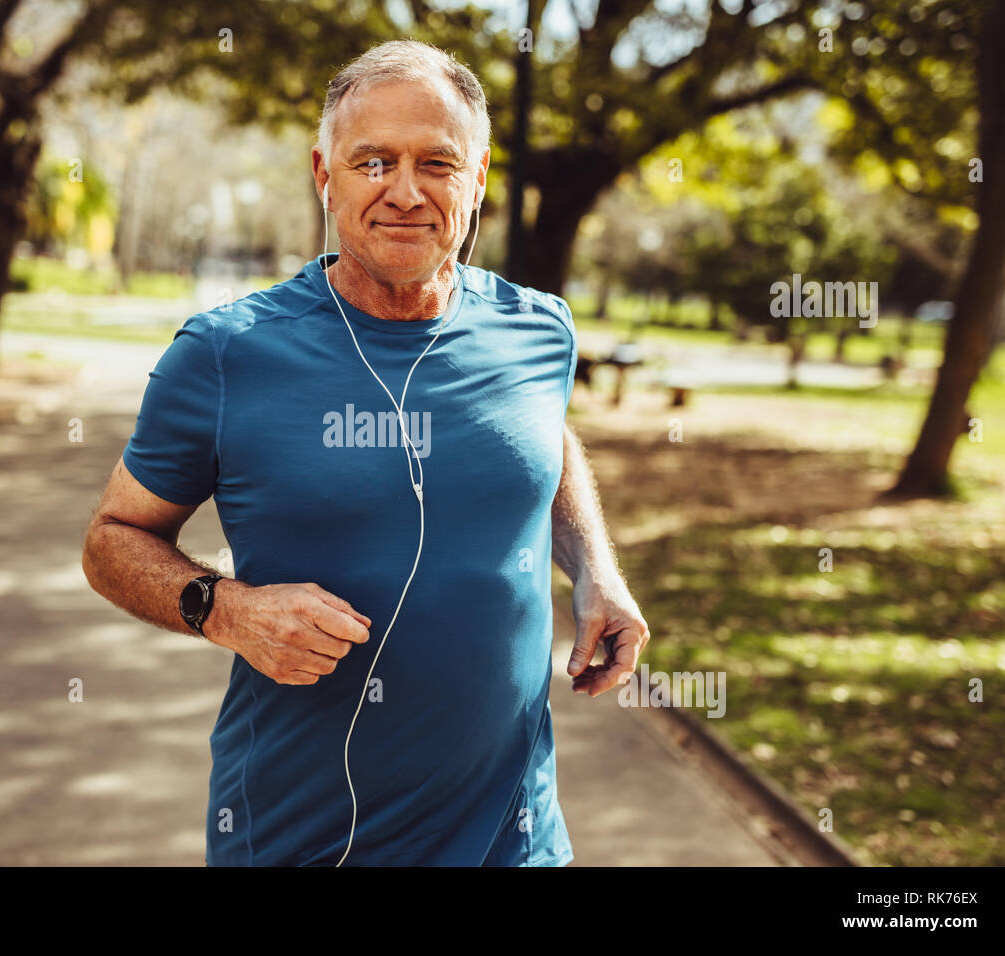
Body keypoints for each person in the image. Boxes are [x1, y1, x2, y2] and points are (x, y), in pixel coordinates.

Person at [82, 39, 650, 867]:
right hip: (306, 836)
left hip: (519, 837)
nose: (405, 191)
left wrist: (596, 566)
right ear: (325, 174)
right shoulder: (227, 352)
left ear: (480, 175)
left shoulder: (540, 330)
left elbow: (542, 438)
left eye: (438, 163)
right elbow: (111, 541)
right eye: (372, 161)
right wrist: (231, 611)